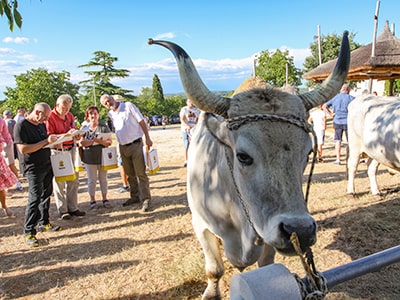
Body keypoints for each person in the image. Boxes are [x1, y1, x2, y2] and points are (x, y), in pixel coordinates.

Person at [14, 103, 62, 247]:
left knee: (46, 194)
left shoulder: (40, 124)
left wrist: (55, 142)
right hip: (33, 167)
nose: (46, 120)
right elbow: (23, 149)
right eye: (45, 117)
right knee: (34, 198)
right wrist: (45, 142)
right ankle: (29, 231)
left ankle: (44, 222)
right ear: (37, 112)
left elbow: (43, 143)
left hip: (46, 164)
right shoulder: (21, 126)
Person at [100, 94, 152, 212]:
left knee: (141, 173)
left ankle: (146, 199)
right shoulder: (111, 114)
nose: (108, 104)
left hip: (136, 144)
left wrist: (148, 138)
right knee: (129, 173)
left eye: (108, 100)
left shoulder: (128, 106)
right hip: (123, 147)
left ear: (112, 98)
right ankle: (134, 196)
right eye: (105, 104)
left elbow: (141, 121)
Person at [46, 94, 86, 220]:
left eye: (68, 108)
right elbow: (49, 136)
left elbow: (72, 129)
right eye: (64, 108)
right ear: (57, 105)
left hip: (71, 148)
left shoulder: (69, 116)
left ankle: (73, 207)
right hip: (57, 151)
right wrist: (66, 134)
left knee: (74, 179)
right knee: (60, 181)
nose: (66, 111)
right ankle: (62, 209)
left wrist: (76, 135)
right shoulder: (50, 117)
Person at [78, 106, 113, 209]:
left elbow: (109, 142)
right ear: (88, 116)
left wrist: (100, 141)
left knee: (103, 179)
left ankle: (105, 198)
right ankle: (92, 200)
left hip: (102, 157)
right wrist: (92, 142)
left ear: (98, 114)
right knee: (91, 180)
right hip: (89, 157)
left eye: (95, 113)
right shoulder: (84, 128)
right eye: (91, 114)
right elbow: (81, 142)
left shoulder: (104, 126)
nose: (93, 116)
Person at [322, 83, 354, 165]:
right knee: (350, 141)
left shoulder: (335, 98)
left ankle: (338, 159)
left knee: (338, 141)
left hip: (337, 121)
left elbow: (324, 106)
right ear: (347, 90)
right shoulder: (351, 98)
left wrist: (330, 114)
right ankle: (350, 158)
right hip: (348, 122)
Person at [2, 111, 23, 191]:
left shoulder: (5, 121)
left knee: (10, 165)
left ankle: (17, 183)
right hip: (8, 143)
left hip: (6, 144)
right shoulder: (11, 121)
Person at [179, 99, 199, 167]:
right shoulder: (184, 109)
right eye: (189, 101)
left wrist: (196, 125)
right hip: (186, 130)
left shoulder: (196, 110)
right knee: (186, 144)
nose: (191, 103)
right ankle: (186, 160)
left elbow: (197, 119)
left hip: (194, 130)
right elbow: (182, 119)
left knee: (195, 144)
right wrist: (187, 126)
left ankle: (194, 159)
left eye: (192, 101)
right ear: (187, 102)